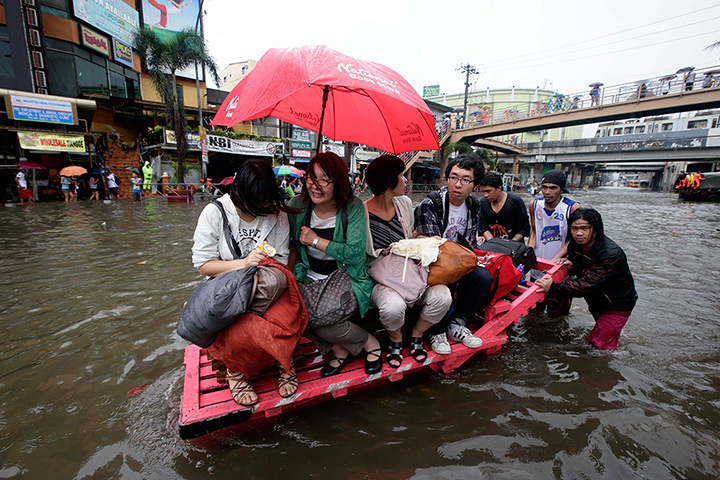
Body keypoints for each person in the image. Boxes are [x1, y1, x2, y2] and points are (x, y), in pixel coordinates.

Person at [191, 159, 296, 405]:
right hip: (225, 287)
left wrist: (260, 267)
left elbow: (281, 260)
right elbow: (203, 265)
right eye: (260, 203)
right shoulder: (215, 213)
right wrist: (244, 263)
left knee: (284, 311)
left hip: (266, 284)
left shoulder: (276, 214)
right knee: (237, 322)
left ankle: (285, 362)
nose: (267, 208)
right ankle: (235, 371)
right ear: (241, 194)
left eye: (269, 201)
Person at [287, 152, 381, 377]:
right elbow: (289, 246)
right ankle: (337, 349)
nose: (315, 186)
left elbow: (356, 254)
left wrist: (316, 241)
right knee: (290, 312)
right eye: (311, 177)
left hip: (346, 277)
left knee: (318, 320)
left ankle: (369, 342)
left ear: (337, 182)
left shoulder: (353, 208)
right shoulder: (297, 206)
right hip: (308, 276)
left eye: (324, 179)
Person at [364, 155, 452, 367]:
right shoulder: (361, 212)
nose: (406, 181)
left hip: (409, 272)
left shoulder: (403, 203)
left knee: (443, 297)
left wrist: (425, 240)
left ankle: (416, 333)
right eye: (401, 176)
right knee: (392, 307)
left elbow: (409, 239)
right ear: (388, 182)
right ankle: (396, 338)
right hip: (381, 278)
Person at [414, 153, 493, 354]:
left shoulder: (474, 205)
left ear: (475, 185)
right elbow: (431, 251)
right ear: (447, 178)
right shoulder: (431, 204)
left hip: (457, 259)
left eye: (465, 180)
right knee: (448, 281)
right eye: (454, 177)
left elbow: (470, 243)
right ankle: (437, 331)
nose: (458, 184)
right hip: (432, 263)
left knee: (483, 277)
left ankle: (457, 323)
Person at [535, 208, 637, 350]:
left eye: (584, 228)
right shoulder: (576, 245)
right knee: (604, 335)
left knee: (598, 344)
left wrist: (553, 288)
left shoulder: (611, 254)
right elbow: (586, 268)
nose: (579, 233)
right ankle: (614, 338)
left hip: (616, 303)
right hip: (596, 299)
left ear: (595, 229)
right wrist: (572, 266)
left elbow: (586, 284)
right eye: (574, 228)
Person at [528, 170, 581, 316]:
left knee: (557, 314)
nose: (547, 192)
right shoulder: (534, 204)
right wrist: (527, 253)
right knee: (534, 311)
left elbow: (573, 240)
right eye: (544, 187)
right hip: (538, 265)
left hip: (560, 267)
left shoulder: (572, 208)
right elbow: (534, 232)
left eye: (553, 188)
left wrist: (553, 263)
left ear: (562, 190)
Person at [478, 172, 531, 242]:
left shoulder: (515, 202)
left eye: (488, 191)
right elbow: (483, 228)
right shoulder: (483, 203)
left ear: (499, 188)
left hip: (514, 245)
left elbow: (524, 228)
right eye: (483, 192)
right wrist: (494, 243)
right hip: (492, 246)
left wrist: (509, 244)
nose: (485, 195)